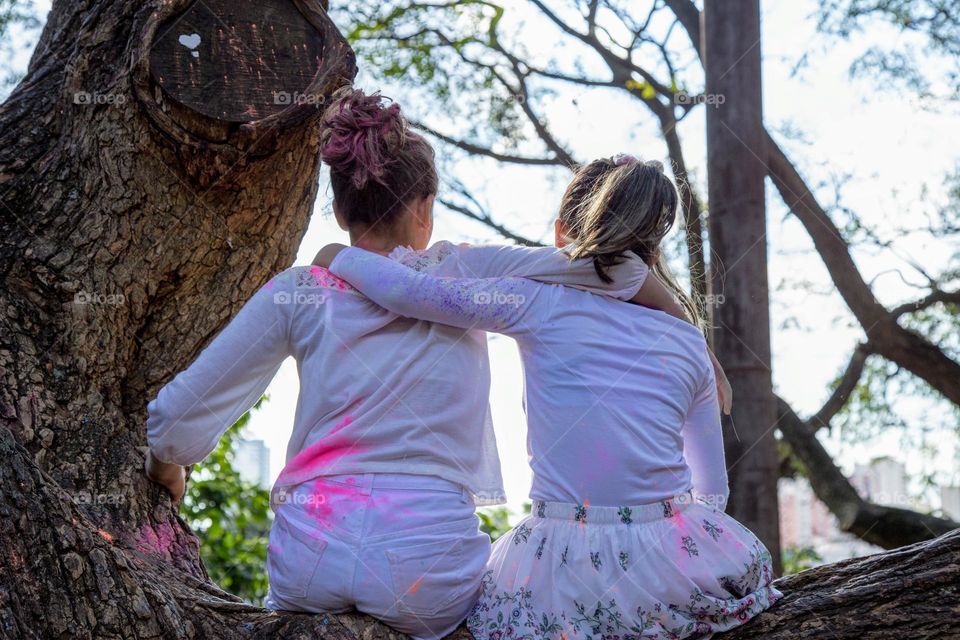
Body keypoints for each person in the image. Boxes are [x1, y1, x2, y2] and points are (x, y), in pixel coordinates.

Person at [143, 88, 656, 640]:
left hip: (310, 557)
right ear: (425, 207)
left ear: (339, 211)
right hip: (426, 566)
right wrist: (693, 333)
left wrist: (168, 468)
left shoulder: (299, 291)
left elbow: (173, 422)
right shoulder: (470, 269)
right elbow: (620, 272)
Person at [314, 156, 782, 639]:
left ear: (561, 235)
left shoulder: (533, 301)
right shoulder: (688, 345)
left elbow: (411, 293)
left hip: (561, 563)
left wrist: (336, 254)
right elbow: (712, 494)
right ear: (655, 245)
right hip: (666, 563)